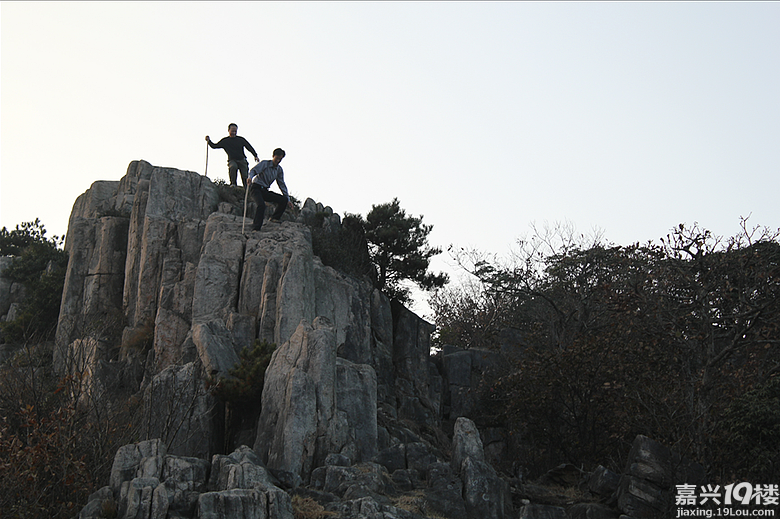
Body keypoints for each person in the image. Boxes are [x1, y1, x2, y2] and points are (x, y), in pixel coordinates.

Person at [248, 148, 294, 231]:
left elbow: (281, 184)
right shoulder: (265, 164)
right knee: (261, 205)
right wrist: (250, 178)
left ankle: (274, 218)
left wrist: (288, 199)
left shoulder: (279, 170)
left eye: (280, 159)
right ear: (273, 156)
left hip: (265, 190)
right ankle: (256, 227)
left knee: (283, 200)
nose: (278, 161)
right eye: (277, 158)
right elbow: (253, 171)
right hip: (256, 188)